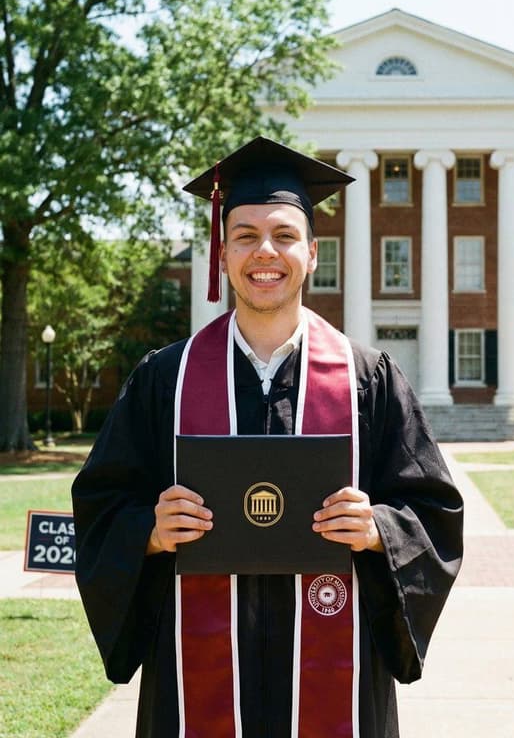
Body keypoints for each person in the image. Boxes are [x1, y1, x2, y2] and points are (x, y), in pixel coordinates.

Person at [72, 136, 464, 738]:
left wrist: (380, 528)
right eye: (247, 235)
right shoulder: (164, 379)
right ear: (222, 251)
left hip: (340, 667)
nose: (266, 253)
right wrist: (146, 533)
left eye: (284, 236)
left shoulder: (368, 378)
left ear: (311, 253)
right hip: (193, 673)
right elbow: (100, 507)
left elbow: (434, 510)